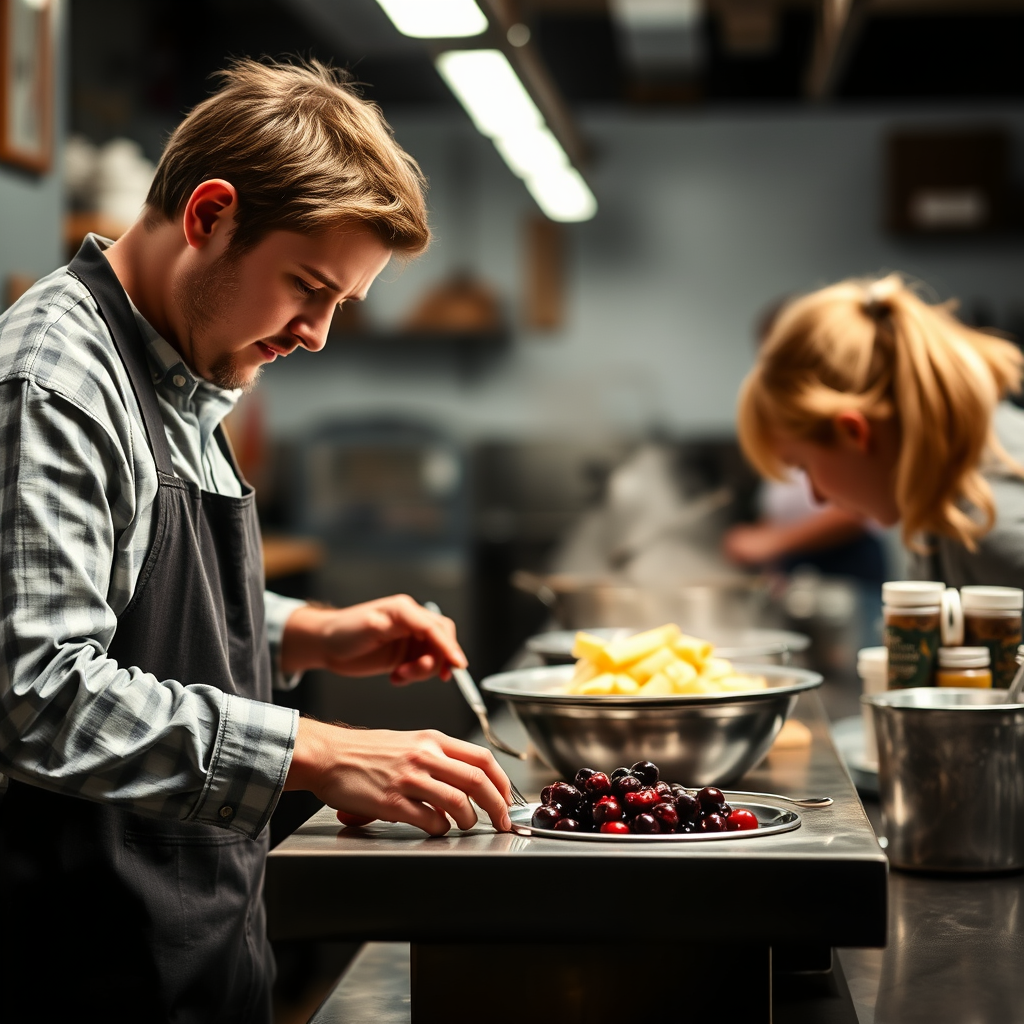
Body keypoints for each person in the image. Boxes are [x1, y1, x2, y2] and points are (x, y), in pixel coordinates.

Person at [0, 59, 512, 1023]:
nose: (316, 334)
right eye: (308, 287)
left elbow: (132, 595)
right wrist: (311, 748)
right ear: (210, 215)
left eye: (340, 304)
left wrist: (305, 631)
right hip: (88, 963)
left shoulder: (186, 365)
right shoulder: (56, 382)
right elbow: (37, 693)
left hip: (196, 939)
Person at [736, 273, 1024, 588]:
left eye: (803, 466)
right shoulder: (943, 498)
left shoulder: (989, 531)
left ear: (853, 433)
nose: (817, 498)